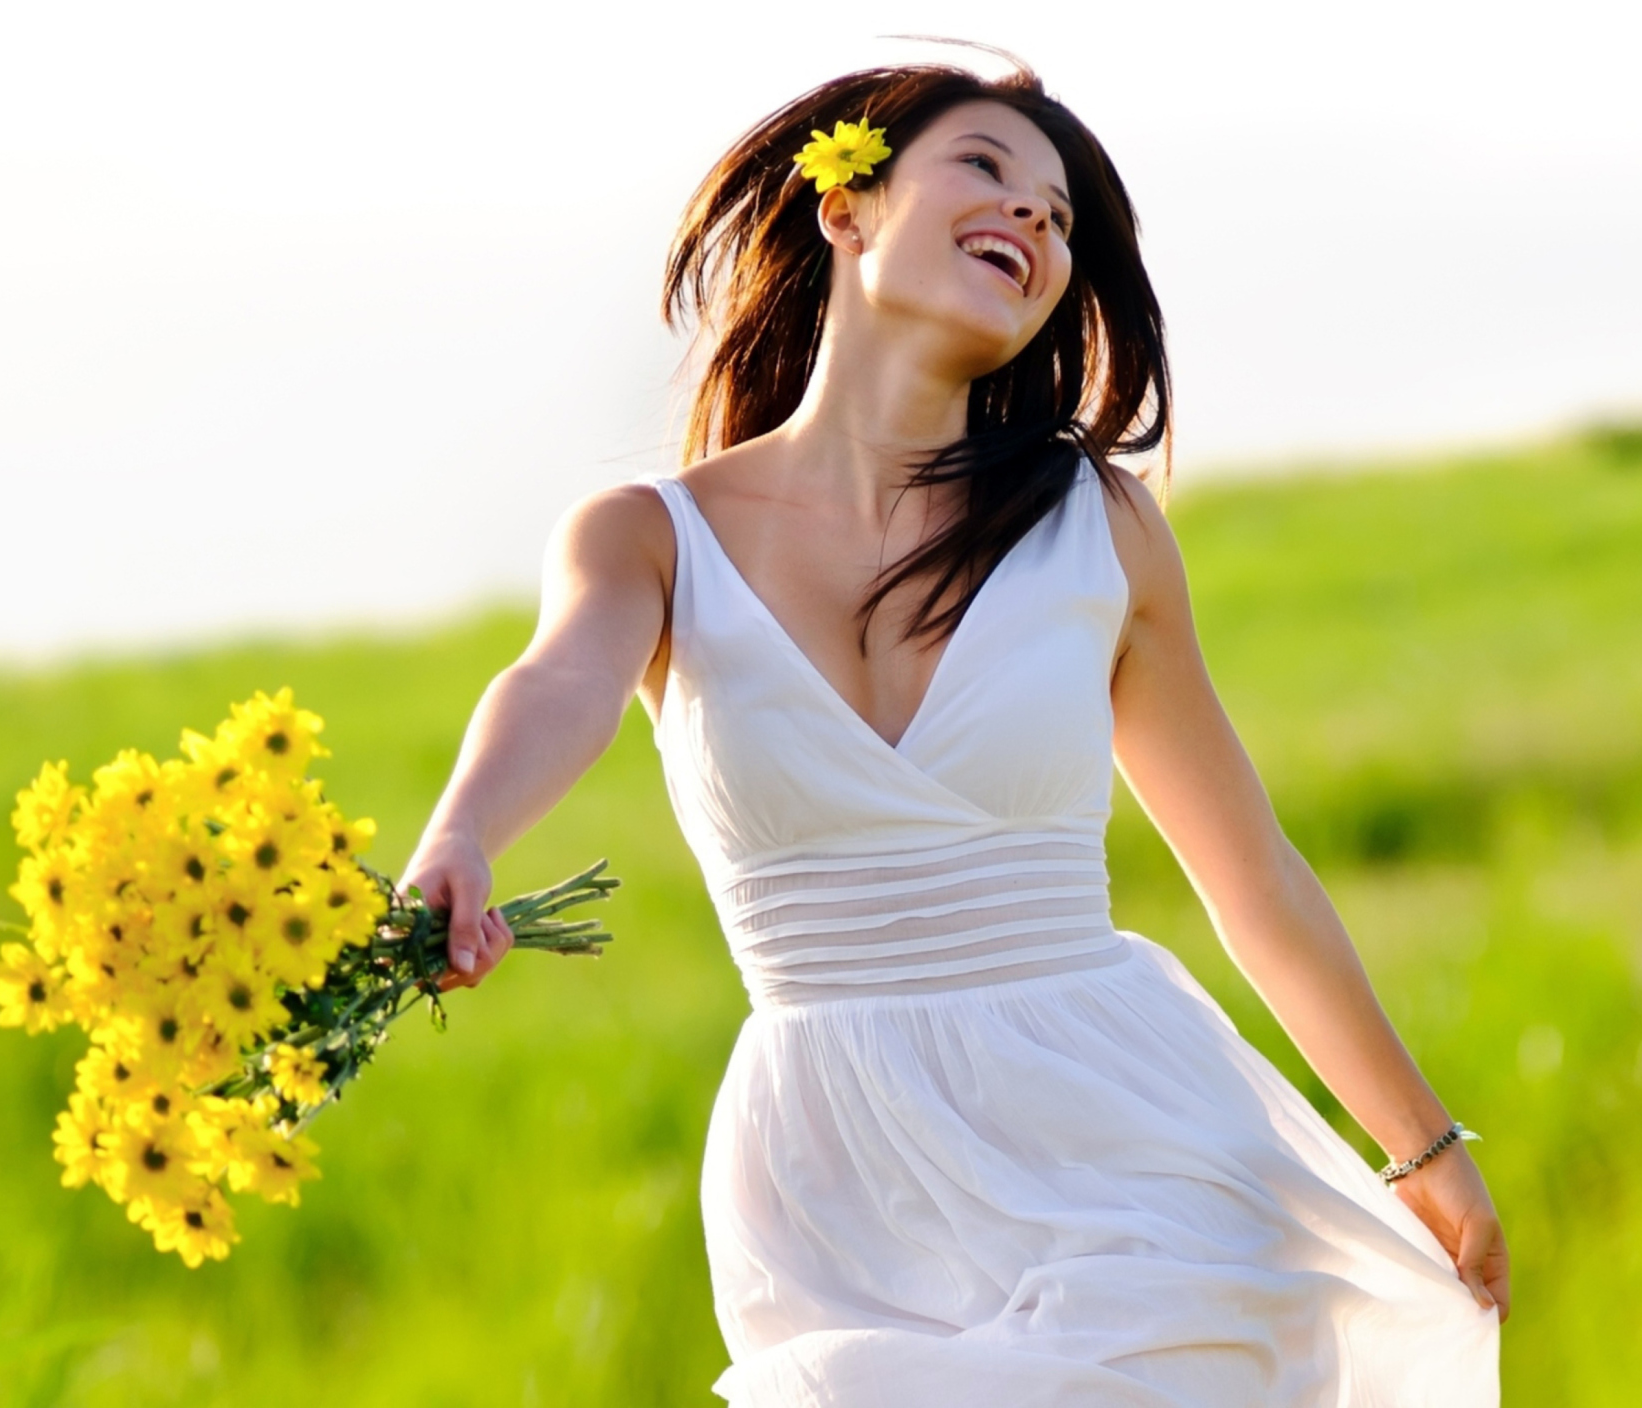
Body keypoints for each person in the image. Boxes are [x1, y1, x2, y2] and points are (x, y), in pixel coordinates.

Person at [403, 60, 1508, 1407]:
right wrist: (462, 831)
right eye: (987, 169)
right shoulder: (648, 536)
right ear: (848, 206)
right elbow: (555, 684)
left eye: (1059, 217)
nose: (1035, 222)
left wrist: (1421, 1147)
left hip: (1124, 1139)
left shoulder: (1097, 532)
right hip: (838, 1182)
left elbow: (1255, 880)